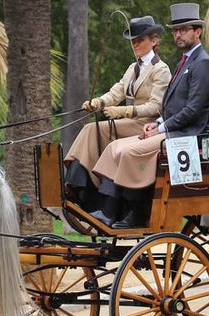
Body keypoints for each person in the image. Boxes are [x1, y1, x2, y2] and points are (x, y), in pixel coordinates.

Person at [90, 2, 209, 228]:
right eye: (176, 31)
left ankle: (137, 213)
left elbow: (193, 110)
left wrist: (160, 127)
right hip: (171, 128)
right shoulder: (186, 60)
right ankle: (108, 208)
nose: (178, 35)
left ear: (198, 31)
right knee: (115, 147)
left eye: (184, 30)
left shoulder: (203, 63)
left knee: (131, 151)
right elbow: (171, 106)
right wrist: (158, 123)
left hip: (187, 134)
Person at [64, 15, 171, 209]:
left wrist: (123, 111)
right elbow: (117, 91)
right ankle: (77, 182)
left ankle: (85, 185)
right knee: (90, 129)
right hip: (130, 122)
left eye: (140, 40)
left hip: (146, 124)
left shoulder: (160, 70)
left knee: (94, 129)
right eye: (133, 41)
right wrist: (98, 102)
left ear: (154, 41)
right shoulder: (133, 68)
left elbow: (156, 106)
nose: (135, 44)